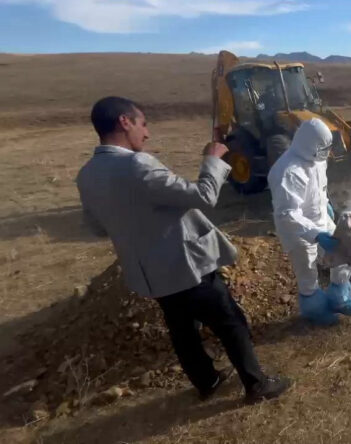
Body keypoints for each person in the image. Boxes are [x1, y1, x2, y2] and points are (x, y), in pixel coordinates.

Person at [76, 96, 290, 404]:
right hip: (187, 265)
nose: (146, 133)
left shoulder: (87, 175)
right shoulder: (137, 163)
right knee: (230, 321)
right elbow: (203, 197)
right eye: (143, 123)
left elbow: (97, 227)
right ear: (124, 122)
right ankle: (257, 385)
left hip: (149, 273)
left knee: (182, 330)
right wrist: (213, 159)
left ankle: (208, 381)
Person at [268, 118, 351, 325]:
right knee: (308, 272)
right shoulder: (289, 172)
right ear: (309, 144)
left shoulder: (316, 157)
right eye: (324, 148)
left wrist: (325, 204)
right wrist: (316, 235)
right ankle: (315, 309)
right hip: (298, 231)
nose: (327, 152)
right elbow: (287, 214)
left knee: (344, 252)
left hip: (321, 219)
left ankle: (340, 297)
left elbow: (318, 187)